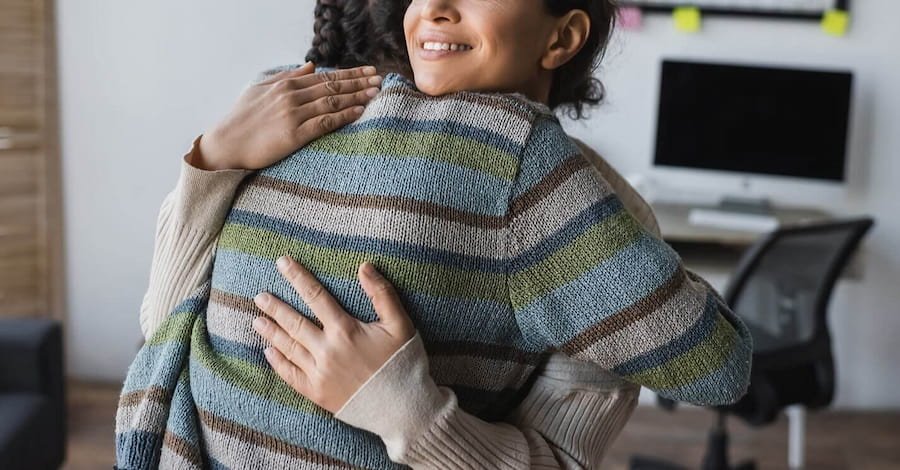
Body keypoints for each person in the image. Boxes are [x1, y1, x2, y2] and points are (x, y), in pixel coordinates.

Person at [117, 1, 752, 468]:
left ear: (562, 36)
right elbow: (165, 330)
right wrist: (212, 161)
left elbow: (567, 454)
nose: (436, 8)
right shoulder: (298, 112)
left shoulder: (585, 212)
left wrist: (406, 412)